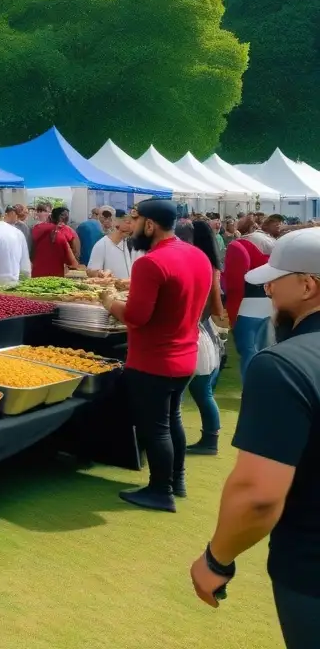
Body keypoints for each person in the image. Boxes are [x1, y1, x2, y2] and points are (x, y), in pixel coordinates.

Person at [190, 230, 320, 648]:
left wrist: (216, 560)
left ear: (307, 285)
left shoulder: (283, 365)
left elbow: (258, 494)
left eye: (275, 279)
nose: (267, 288)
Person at [100, 199, 212, 512]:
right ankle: (176, 480)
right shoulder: (198, 256)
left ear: (150, 225)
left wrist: (109, 301)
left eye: (135, 221)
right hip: (185, 355)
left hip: (154, 360)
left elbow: (136, 316)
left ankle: (160, 491)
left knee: (156, 427)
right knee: (171, 419)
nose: (130, 227)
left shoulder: (150, 262)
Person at [184, 219, 227, 456]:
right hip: (204, 330)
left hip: (197, 331)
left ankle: (207, 440)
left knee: (185, 393)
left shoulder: (202, 265)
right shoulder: (211, 265)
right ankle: (210, 439)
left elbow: (217, 308)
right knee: (202, 391)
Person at [223, 214, 279, 380]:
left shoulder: (239, 245)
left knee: (249, 351)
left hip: (247, 304)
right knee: (267, 351)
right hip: (272, 302)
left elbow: (234, 283)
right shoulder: (276, 246)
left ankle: (251, 391)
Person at [86, 212, 141, 278]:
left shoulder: (133, 244)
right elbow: (90, 272)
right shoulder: (102, 245)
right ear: (116, 223)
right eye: (127, 223)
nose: (131, 227)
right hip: (111, 286)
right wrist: (101, 274)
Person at [31, 206, 79, 277]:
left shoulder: (36, 229)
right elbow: (74, 259)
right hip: (56, 275)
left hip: (36, 274)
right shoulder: (65, 231)